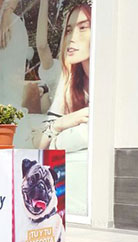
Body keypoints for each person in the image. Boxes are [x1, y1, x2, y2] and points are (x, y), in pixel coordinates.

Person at [32, 1, 92, 215]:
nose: (72, 37)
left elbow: (91, 136)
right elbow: (39, 143)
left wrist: (56, 138)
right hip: (66, 194)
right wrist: (66, 122)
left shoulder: (106, 82)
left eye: (83, 27)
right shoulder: (68, 81)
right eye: (68, 30)